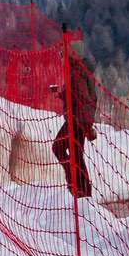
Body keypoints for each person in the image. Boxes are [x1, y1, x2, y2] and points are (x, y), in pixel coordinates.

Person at [53, 48, 99, 199]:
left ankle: (79, 188)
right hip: (81, 119)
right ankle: (81, 189)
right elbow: (79, 95)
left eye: (61, 56)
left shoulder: (76, 73)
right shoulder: (77, 70)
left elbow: (81, 97)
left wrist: (86, 124)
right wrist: (62, 93)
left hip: (78, 119)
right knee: (76, 154)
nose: (60, 60)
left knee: (59, 148)